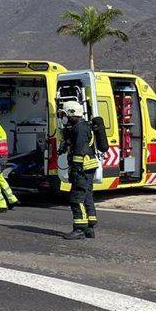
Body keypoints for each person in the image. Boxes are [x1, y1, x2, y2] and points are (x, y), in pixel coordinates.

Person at [57, 101, 99, 240]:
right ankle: (89, 228)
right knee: (87, 197)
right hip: (88, 167)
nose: (64, 117)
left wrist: (75, 170)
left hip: (82, 167)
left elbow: (80, 151)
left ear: (71, 113)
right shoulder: (82, 126)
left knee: (77, 198)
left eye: (65, 114)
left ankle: (79, 229)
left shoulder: (80, 129)